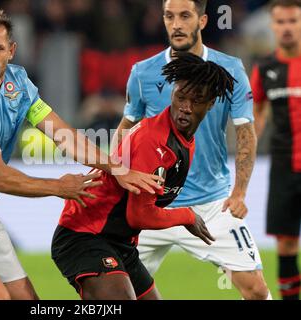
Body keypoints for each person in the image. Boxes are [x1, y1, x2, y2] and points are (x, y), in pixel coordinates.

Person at [0, 7, 160, 300]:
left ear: (12, 50)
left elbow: (65, 137)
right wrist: (59, 187)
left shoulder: (18, 84)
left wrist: (119, 169)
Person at [112, 0, 271, 300]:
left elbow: (245, 132)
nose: (176, 24)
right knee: (116, 294)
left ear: (202, 20)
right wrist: (117, 175)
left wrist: (239, 193)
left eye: (185, 16)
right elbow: (126, 128)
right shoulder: (143, 72)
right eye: (169, 16)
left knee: (257, 291)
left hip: (212, 204)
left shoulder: (230, 69)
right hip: (150, 206)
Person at [51, 52, 234, 300]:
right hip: (84, 234)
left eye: (197, 100)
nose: (186, 107)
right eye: (181, 96)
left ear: (211, 103)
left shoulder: (183, 140)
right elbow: (138, 214)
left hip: (120, 241)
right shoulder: (154, 140)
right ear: (172, 92)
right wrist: (187, 215)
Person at [252, 0, 301, 300]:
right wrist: (248, 151)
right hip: (283, 166)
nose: (286, 28)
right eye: (280, 22)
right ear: (272, 25)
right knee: (285, 244)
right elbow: (257, 113)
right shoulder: (266, 68)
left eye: (293, 21)